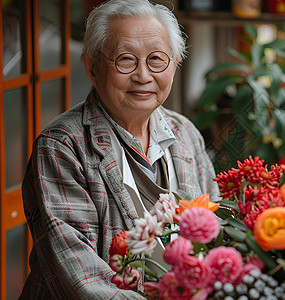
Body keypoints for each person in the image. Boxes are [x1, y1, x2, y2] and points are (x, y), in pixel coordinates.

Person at [19, 0, 219, 298]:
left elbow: (215, 226)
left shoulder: (185, 132)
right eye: (125, 59)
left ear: (175, 63)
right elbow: (81, 277)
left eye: (156, 59)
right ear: (92, 67)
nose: (142, 76)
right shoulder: (63, 145)